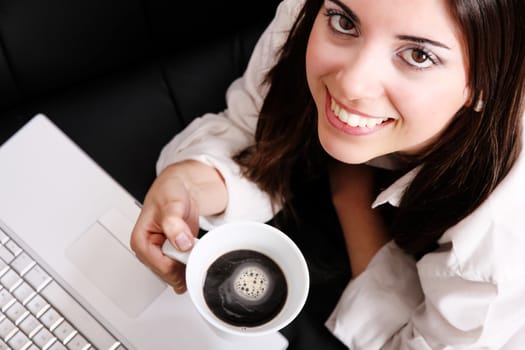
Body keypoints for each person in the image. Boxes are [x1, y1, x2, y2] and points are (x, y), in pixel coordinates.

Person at [130, 0, 525, 348]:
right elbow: (254, 125)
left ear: (488, 82)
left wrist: (350, 195)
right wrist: (189, 183)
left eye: (418, 55)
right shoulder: (311, 10)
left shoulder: (500, 239)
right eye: (345, 22)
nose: (352, 82)